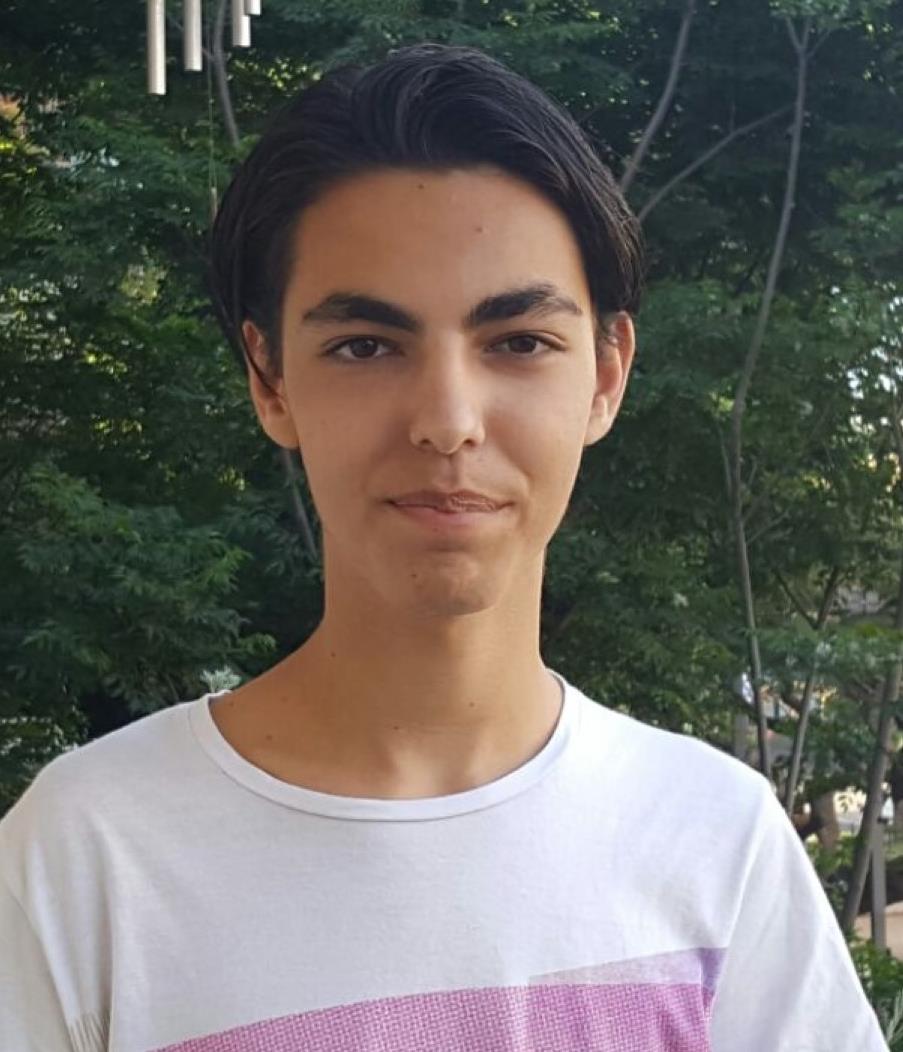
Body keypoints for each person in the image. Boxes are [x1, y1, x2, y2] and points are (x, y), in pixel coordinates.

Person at [0, 43, 887, 1052]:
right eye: (365, 346)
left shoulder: (716, 844)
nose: (447, 420)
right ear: (270, 378)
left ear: (606, 374)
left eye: (518, 342)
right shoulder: (88, 856)